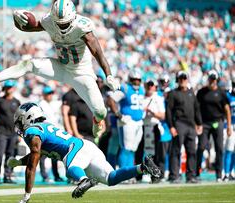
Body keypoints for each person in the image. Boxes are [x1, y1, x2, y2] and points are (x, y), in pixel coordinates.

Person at [0, 0, 121, 139]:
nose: (62, 27)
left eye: (65, 24)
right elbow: (29, 27)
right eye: (59, 24)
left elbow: (98, 53)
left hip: (81, 73)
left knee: (101, 111)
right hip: (61, 67)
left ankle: (97, 120)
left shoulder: (82, 27)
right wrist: (18, 20)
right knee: (29, 64)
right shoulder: (49, 21)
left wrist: (109, 75)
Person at [8, 102, 161, 203]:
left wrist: (27, 195)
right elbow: (36, 154)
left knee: (70, 167)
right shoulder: (44, 128)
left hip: (76, 149)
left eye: (21, 121)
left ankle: (83, 180)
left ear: (28, 118)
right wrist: (19, 162)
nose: (20, 126)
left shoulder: (32, 132)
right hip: (86, 147)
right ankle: (142, 167)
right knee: (111, 178)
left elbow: (33, 164)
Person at [166, 71, 202, 183]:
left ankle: (191, 175)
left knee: (191, 151)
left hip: (191, 125)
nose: (183, 80)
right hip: (179, 124)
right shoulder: (173, 93)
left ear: (187, 79)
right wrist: (171, 126)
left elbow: (196, 109)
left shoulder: (191, 93)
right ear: (177, 80)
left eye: (184, 78)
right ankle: (174, 175)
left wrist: (199, 123)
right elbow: (169, 111)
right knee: (176, 150)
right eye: (180, 78)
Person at [196, 70, 231, 181]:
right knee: (201, 147)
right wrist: (197, 123)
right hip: (204, 123)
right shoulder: (202, 92)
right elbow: (196, 108)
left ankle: (219, 174)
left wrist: (229, 126)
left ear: (217, 80)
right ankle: (196, 173)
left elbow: (227, 110)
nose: (212, 81)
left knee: (219, 148)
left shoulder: (221, 93)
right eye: (210, 78)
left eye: (214, 79)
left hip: (218, 122)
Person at [107, 70, 145, 170]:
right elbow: (110, 100)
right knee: (126, 148)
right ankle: (124, 172)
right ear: (130, 80)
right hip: (127, 121)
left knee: (133, 148)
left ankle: (130, 173)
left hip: (139, 122)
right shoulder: (126, 88)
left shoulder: (141, 89)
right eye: (134, 80)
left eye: (138, 80)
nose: (136, 82)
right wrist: (119, 115)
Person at [38, 86, 64, 182]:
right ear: (44, 95)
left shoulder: (52, 104)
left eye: (51, 93)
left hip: (54, 132)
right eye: (48, 94)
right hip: (45, 132)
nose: (50, 95)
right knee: (43, 155)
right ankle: (44, 175)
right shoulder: (41, 104)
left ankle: (56, 175)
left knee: (55, 155)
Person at [142, 79, 166, 181]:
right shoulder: (141, 97)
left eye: (152, 85)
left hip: (154, 127)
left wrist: (152, 113)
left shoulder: (158, 98)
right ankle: (141, 174)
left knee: (157, 152)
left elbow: (162, 115)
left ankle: (157, 175)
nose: (150, 87)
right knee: (142, 152)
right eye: (149, 85)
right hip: (143, 126)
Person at [224, 77, 235, 181]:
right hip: (231, 126)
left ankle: (231, 172)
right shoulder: (228, 96)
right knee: (229, 149)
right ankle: (226, 173)